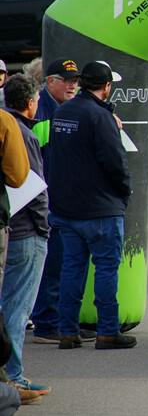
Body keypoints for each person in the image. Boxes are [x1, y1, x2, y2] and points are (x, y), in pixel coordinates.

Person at [49, 61, 135, 350]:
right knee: (106, 269)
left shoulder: (63, 113)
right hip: (101, 208)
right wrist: (125, 192)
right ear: (107, 86)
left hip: (67, 208)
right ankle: (108, 331)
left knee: (72, 270)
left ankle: (67, 331)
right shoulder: (100, 117)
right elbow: (115, 162)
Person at [30, 58, 86, 345]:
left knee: (63, 260)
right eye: (66, 79)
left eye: (75, 80)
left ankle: (59, 320)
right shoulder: (42, 110)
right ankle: (46, 322)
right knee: (52, 262)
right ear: (50, 81)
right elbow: (39, 157)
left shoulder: (62, 108)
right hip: (45, 199)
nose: (72, 84)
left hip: (60, 197)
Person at [1, 75, 50, 395]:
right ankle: (14, 376)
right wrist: (44, 227)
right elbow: (28, 182)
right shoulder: (17, 131)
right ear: (32, 103)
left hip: (9, 227)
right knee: (17, 309)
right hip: (24, 231)